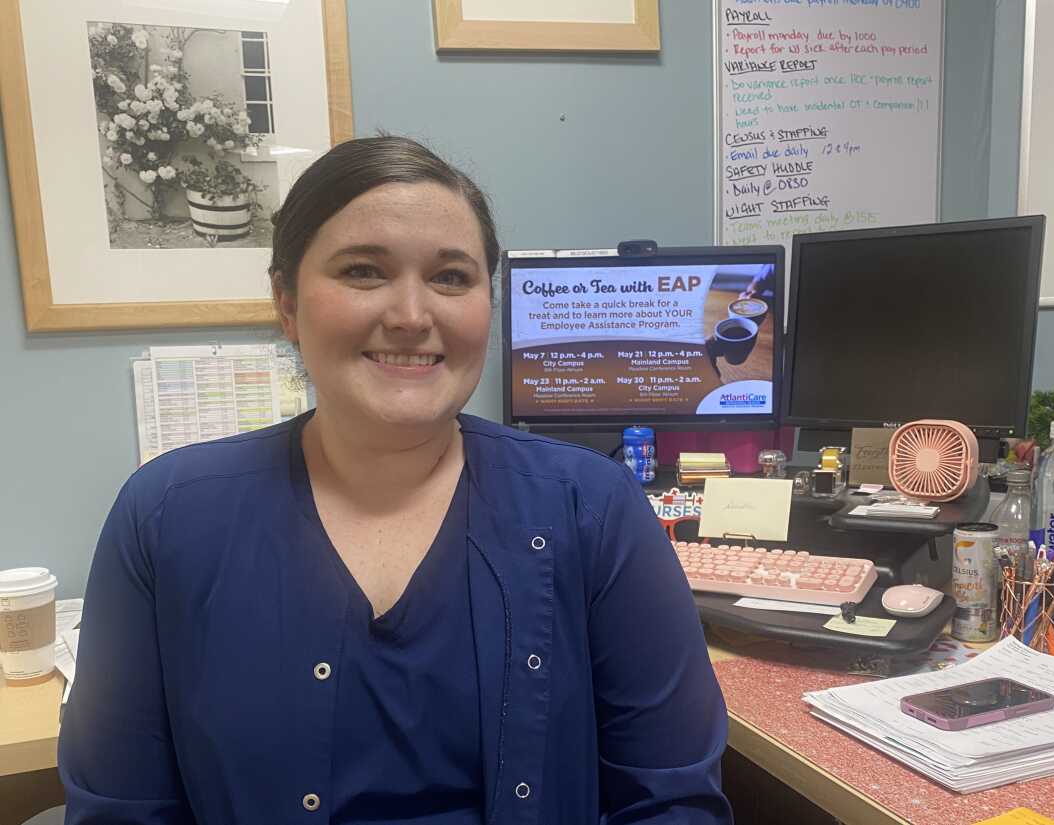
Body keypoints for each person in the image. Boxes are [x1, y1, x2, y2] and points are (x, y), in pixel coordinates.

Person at [59, 136, 732, 824]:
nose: (412, 316)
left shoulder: (591, 508)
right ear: (286, 302)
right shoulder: (166, 518)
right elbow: (120, 810)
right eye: (362, 271)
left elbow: (672, 801)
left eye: (450, 277)